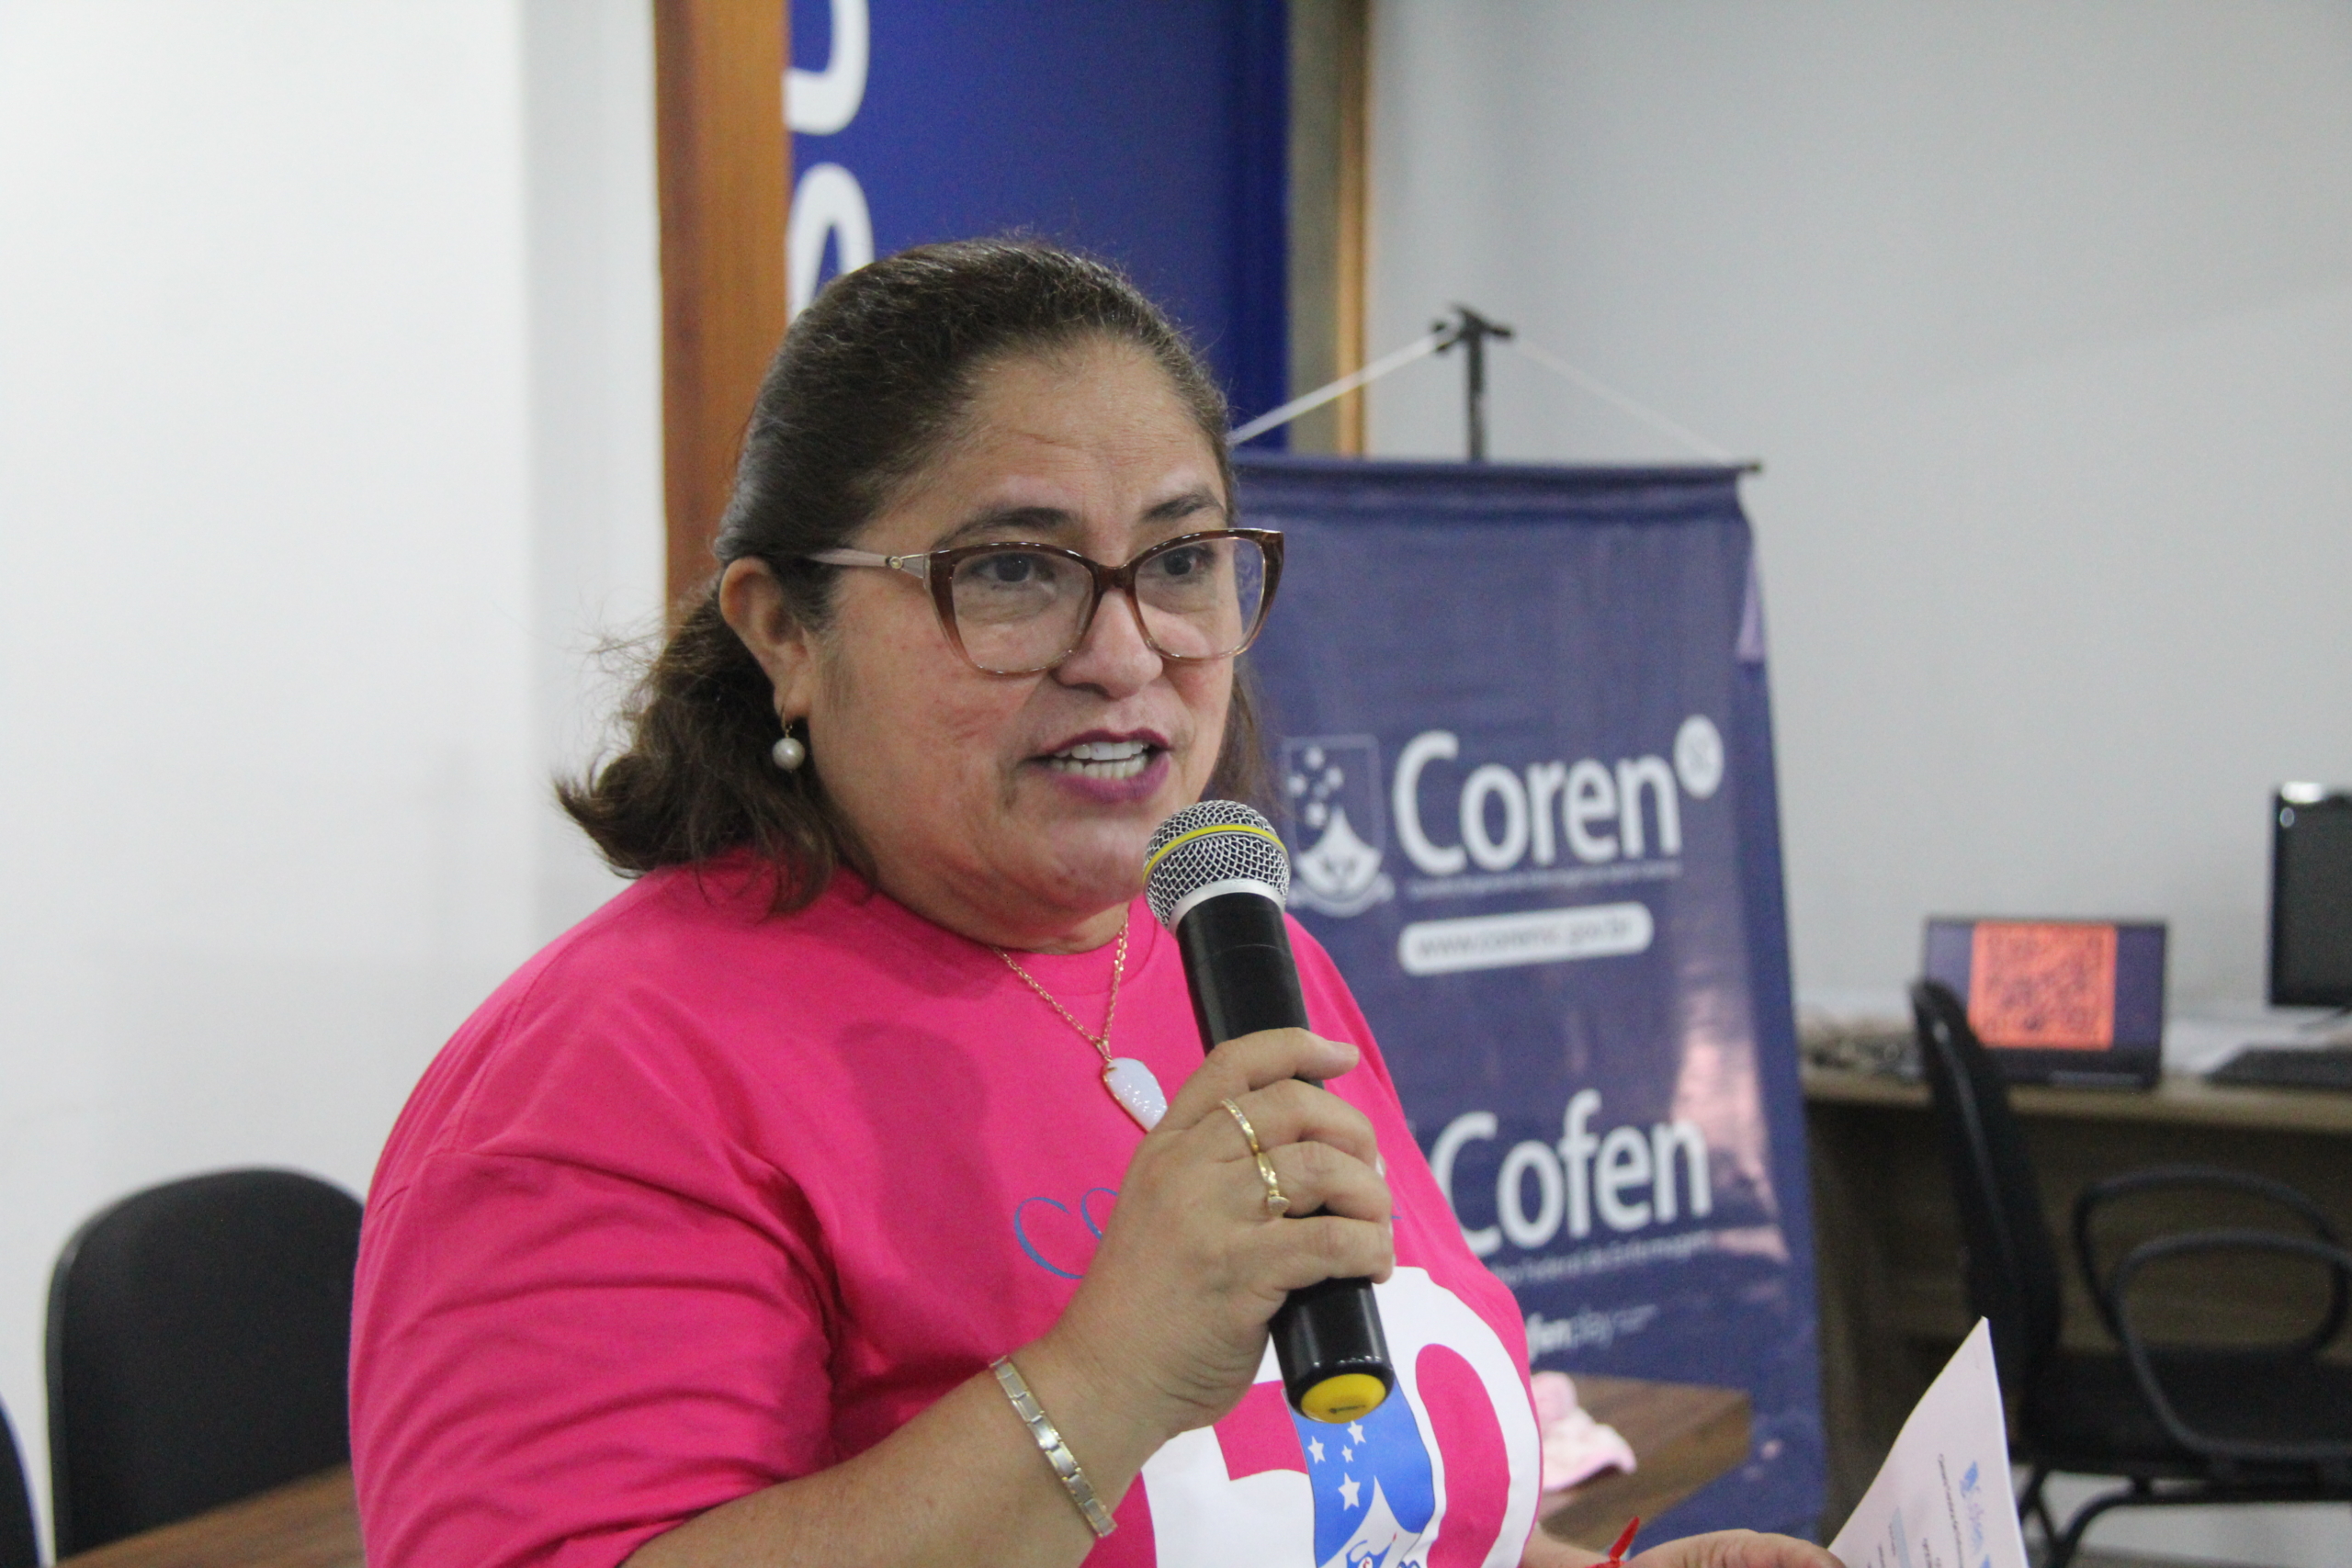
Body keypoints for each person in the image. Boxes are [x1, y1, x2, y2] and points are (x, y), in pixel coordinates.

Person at [348, 240, 1838, 1568]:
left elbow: (1345, 1516)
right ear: (785, 630)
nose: (1127, 653)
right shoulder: (602, 1081)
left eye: (1180, 560)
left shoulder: (1247, 963)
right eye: (1015, 570)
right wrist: (1103, 1382)